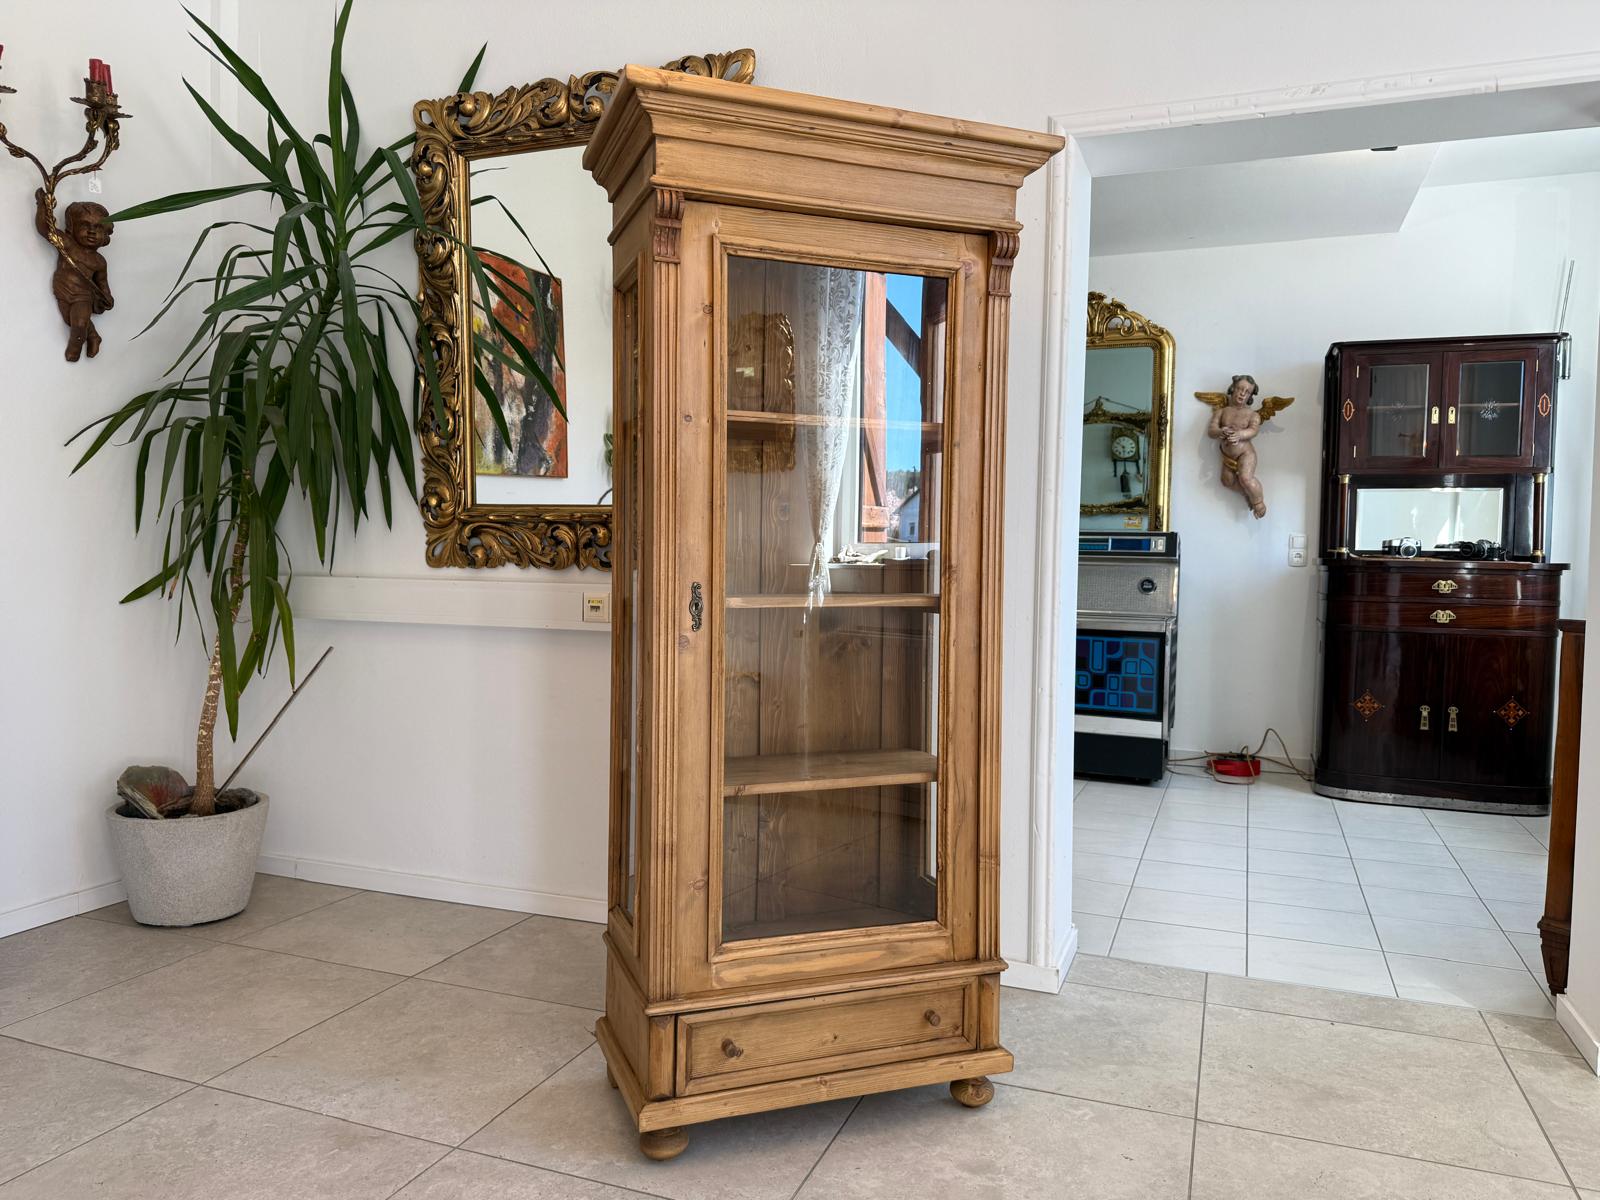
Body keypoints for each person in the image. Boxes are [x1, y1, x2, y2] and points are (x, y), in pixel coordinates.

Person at [37, 189, 114, 361]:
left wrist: (107, 296)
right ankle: (93, 336)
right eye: (86, 226)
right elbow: (45, 229)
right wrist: (43, 206)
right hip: (62, 289)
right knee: (70, 321)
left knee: (79, 324)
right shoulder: (68, 244)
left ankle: (74, 349)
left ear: (106, 234)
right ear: (72, 227)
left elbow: (102, 283)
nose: (92, 232)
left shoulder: (99, 262)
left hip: (82, 296)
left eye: (98, 227)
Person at [1207, 373, 1268, 518]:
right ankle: (1248, 493)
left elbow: (1253, 430)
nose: (1242, 394)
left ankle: (1259, 502)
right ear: (1232, 388)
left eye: (1247, 392)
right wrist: (1221, 431)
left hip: (1245, 454)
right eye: (1240, 389)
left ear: (1250, 396)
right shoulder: (1222, 412)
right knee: (1226, 481)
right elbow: (1211, 430)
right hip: (1227, 455)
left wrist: (1240, 434)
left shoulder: (1252, 414)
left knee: (1246, 478)